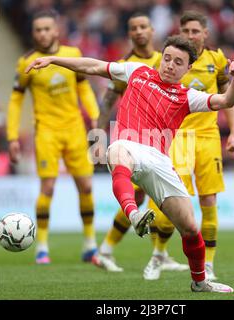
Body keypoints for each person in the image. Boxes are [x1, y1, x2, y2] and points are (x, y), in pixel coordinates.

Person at [25, 35, 234, 292]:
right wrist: (53, 59)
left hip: (160, 161)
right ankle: (134, 214)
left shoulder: (189, 96)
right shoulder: (137, 72)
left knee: (190, 227)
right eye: (167, 58)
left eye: (178, 62)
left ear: (187, 69)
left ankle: (199, 281)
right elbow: (93, 66)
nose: (170, 65)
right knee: (116, 150)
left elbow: (226, 101)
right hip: (128, 146)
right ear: (161, 58)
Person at [142, 11, 234, 281]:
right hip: (177, 139)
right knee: (171, 204)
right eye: (185, 31)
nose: (190, 36)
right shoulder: (170, 62)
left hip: (208, 137)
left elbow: (226, 98)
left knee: (209, 200)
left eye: (195, 31)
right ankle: (158, 254)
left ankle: (208, 265)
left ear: (205, 33)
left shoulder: (216, 59)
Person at [6, 9, 101, 265]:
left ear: (56, 30)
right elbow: (16, 100)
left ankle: (90, 244)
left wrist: (94, 115)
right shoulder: (26, 62)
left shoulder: (73, 55)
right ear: (33, 33)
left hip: (74, 131)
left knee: (87, 186)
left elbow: (84, 87)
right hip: (46, 132)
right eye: (38, 30)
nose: (43, 33)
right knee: (48, 187)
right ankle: (42, 247)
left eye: (47, 28)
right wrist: (12, 136)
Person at [95, 12, 187, 273]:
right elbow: (109, 100)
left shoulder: (165, 59)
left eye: (143, 26)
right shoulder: (129, 64)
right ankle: (115, 249)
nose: (139, 31)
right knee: (150, 195)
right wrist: (97, 133)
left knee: (147, 196)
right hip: (134, 139)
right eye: (133, 28)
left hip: (162, 138)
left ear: (152, 30)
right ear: (129, 33)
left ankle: (127, 250)